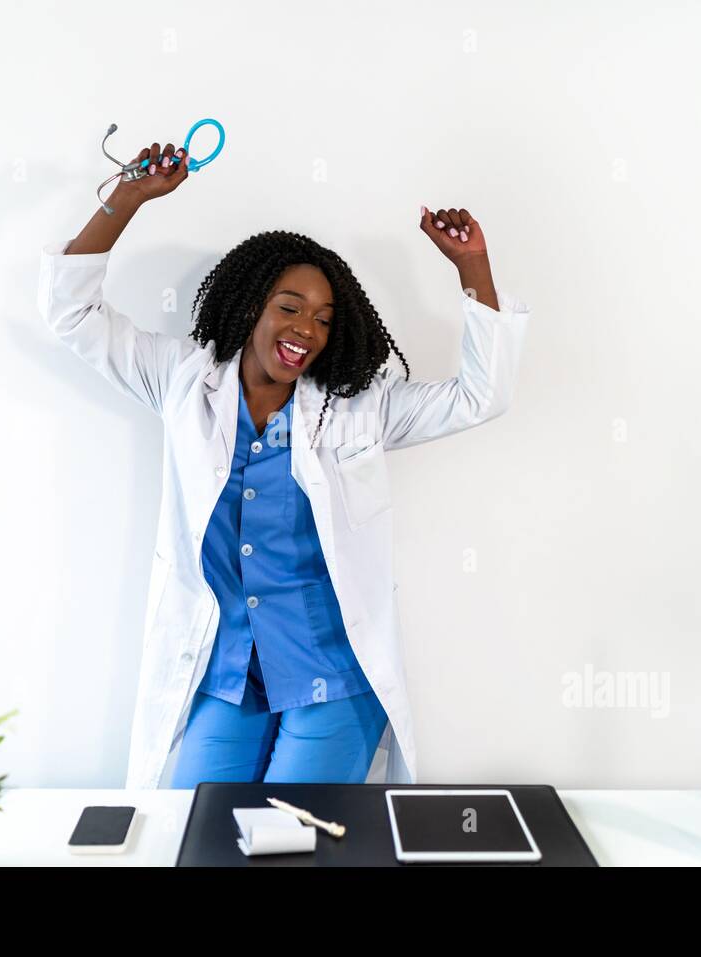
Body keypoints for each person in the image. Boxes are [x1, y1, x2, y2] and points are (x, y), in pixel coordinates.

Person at [37, 139, 531, 788]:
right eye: (289, 308)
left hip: (332, 679)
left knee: (297, 845)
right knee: (193, 828)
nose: (306, 329)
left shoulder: (359, 407)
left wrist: (473, 267)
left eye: (323, 318)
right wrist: (128, 196)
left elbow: (479, 396)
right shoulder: (182, 380)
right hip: (224, 674)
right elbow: (70, 313)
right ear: (250, 307)